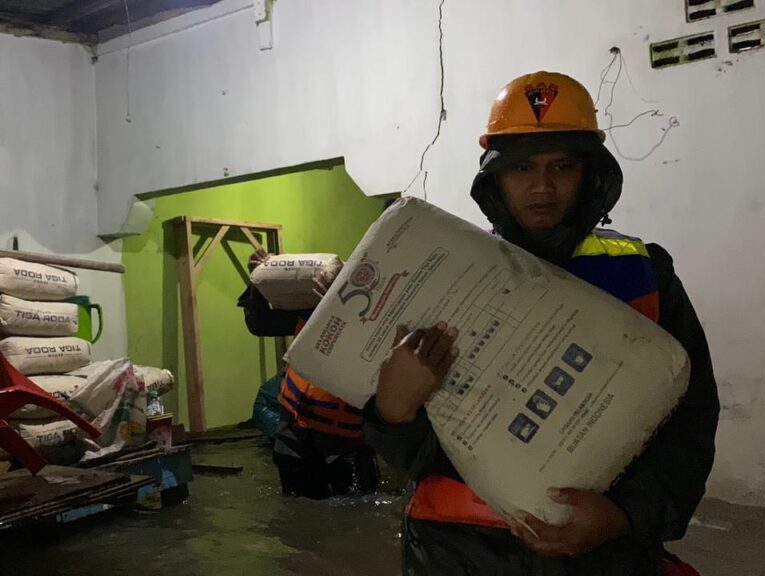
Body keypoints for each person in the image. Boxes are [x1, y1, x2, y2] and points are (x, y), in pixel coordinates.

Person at [364, 71, 719, 575]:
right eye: (522, 167)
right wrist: (392, 412)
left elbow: (692, 418)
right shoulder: (443, 276)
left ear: (590, 173)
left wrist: (624, 517)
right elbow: (416, 454)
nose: (543, 187)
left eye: (563, 166)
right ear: (494, 177)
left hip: (604, 555)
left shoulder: (646, 273)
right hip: (457, 555)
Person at [238, 248, 380, 499]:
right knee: (296, 509)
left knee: (354, 508)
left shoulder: (376, 325)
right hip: (294, 436)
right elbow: (260, 323)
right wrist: (257, 283)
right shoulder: (308, 312)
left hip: (344, 445)